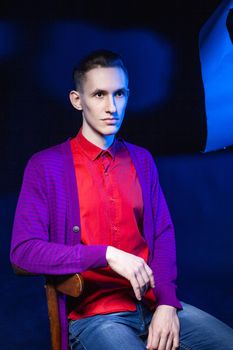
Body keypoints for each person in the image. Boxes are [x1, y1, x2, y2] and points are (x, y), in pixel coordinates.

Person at [10, 49, 233, 350]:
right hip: (94, 316)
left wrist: (167, 304)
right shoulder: (45, 165)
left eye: (119, 94)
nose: (111, 107)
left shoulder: (142, 160)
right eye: (99, 94)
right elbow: (23, 252)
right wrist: (106, 255)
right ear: (77, 100)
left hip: (153, 305)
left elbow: (163, 234)